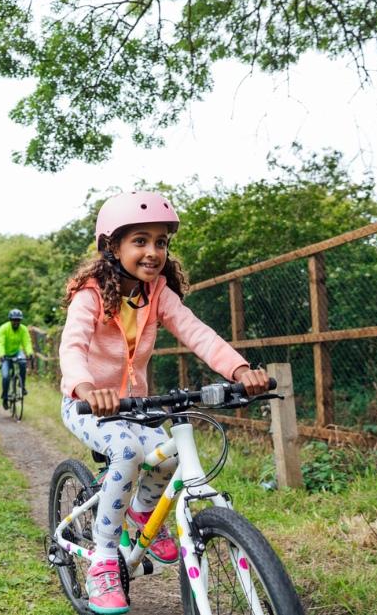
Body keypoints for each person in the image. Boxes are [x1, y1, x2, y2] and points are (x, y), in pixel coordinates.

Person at [59, 191, 270, 615]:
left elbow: (198, 333)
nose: (153, 251)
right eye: (140, 240)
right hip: (88, 405)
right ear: (111, 247)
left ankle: (139, 516)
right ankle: (103, 558)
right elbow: (73, 346)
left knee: (169, 459)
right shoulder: (91, 295)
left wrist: (240, 370)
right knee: (127, 453)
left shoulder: (157, 294)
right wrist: (84, 388)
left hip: (137, 406)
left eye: (161, 242)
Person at [0, 308, 34, 409]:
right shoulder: (3, 329)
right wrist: (2, 354)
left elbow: (27, 342)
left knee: (22, 362)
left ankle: (22, 386)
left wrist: (30, 353)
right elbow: (1, 343)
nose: (16, 322)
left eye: (18, 320)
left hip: (17, 352)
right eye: (14, 320)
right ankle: (4, 397)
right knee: (5, 376)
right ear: (10, 320)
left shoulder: (23, 329)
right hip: (5, 355)